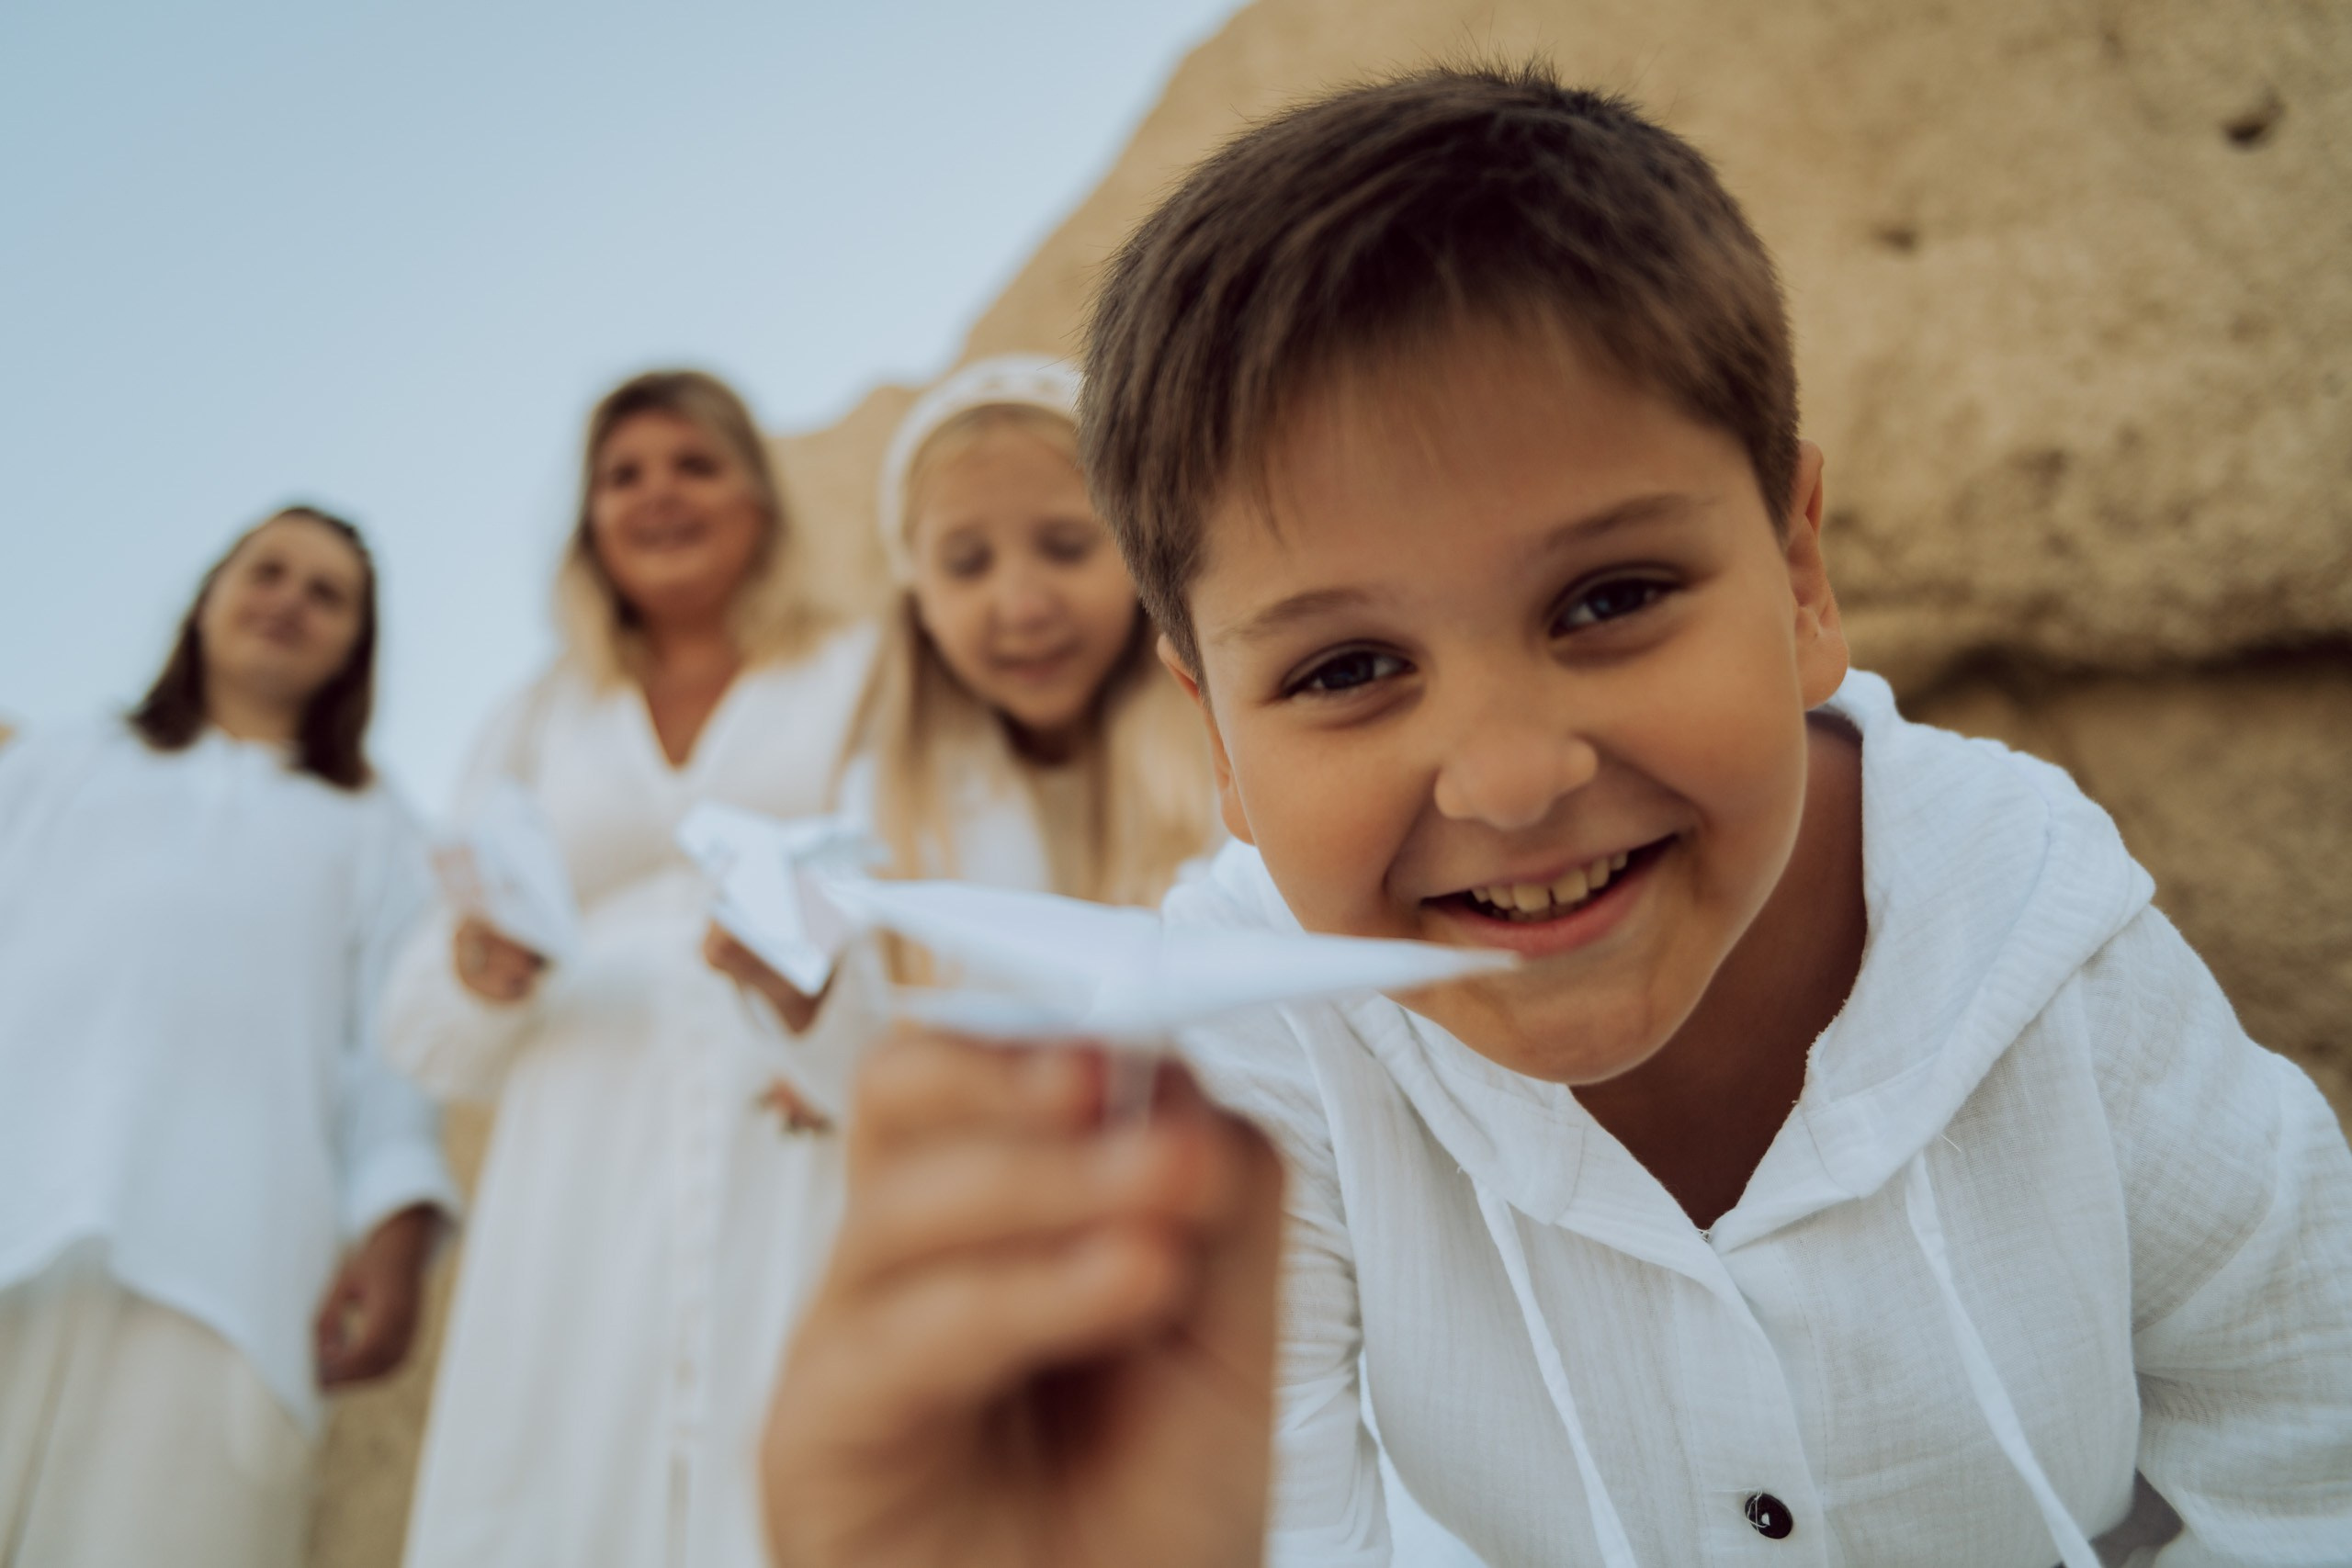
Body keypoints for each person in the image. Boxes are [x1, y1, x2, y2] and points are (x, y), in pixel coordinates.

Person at [760, 64, 2352, 1567]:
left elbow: (2310, 1442)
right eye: (1349, 665)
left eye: (1610, 596)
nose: (1510, 776)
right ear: (1221, 748)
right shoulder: (1251, 1059)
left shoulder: (2025, 900)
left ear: (1801, 577)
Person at [386, 371, 877, 1568]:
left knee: (784, 1454)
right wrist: (477, 966)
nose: (658, 493)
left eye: (694, 464)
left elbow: (916, 883)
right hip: (575, 1144)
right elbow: (422, 1012)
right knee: (557, 1456)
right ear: (589, 525)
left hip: (801, 1111)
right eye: (624, 475)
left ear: (758, 501)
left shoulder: (862, 670)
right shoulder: (537, 715)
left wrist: (822, 997)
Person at [0, 506, 457, 1568]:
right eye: (269, 571)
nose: (289, 601)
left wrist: (394, 1241)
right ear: (209, 595)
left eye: (327, 592)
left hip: (235, 1276)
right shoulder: (52, 768)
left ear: (357, 646)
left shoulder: (382, 836)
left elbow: (398, 1064)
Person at [701, 355, 1217, 1111]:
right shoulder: (885, 802)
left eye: (1068, 546)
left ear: (1141, 551)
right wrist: (799, 1002)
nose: (1021, 604)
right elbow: (880, 1083)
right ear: (920, 597)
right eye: (968, 563)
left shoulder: (1226, 760)